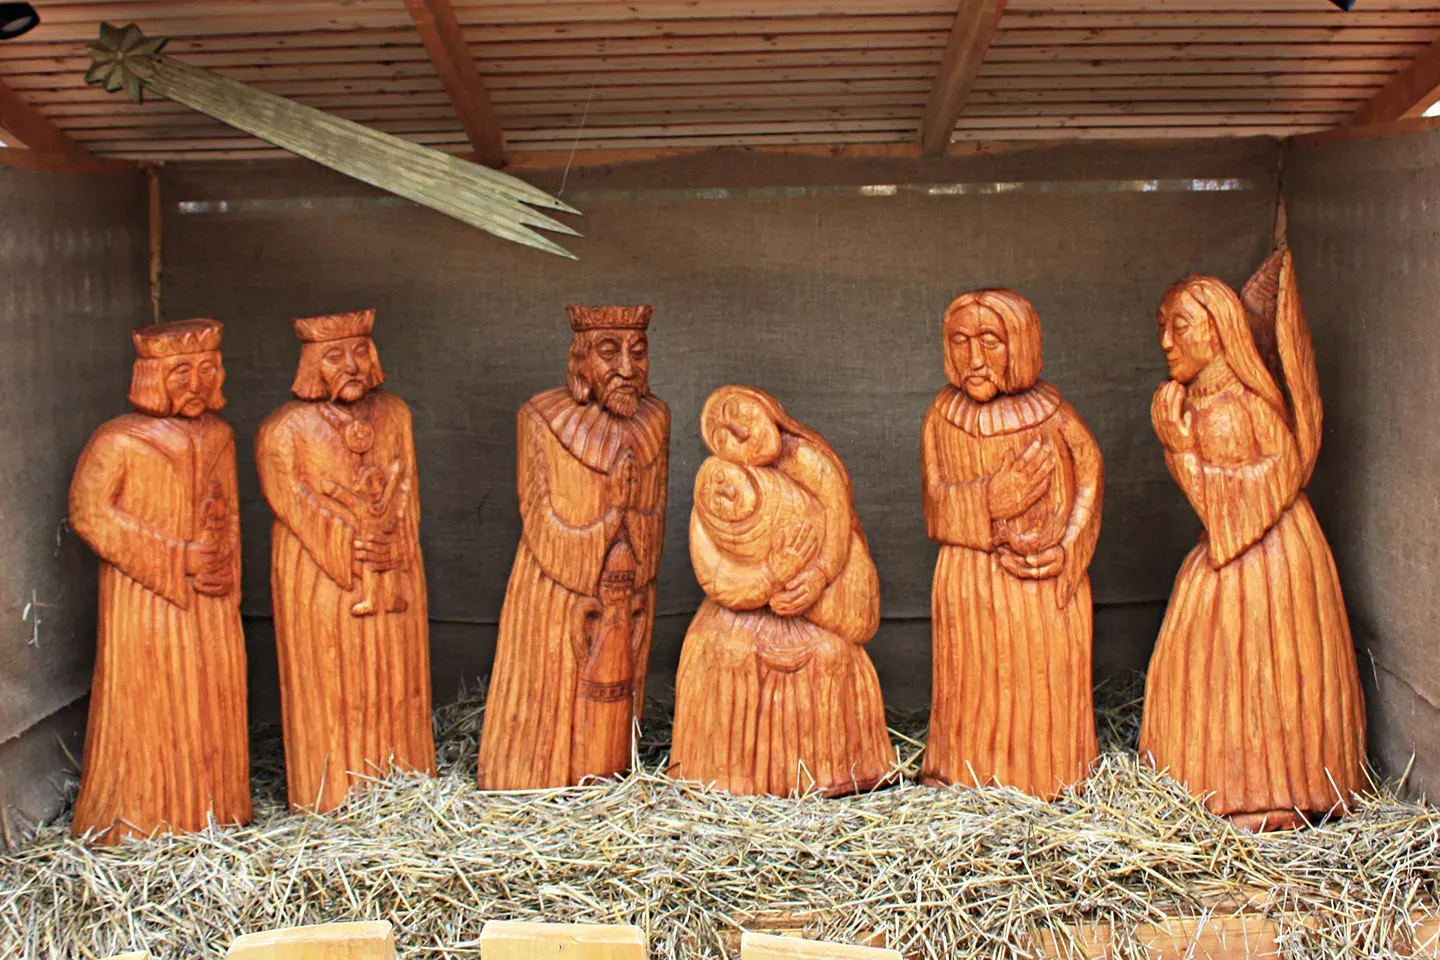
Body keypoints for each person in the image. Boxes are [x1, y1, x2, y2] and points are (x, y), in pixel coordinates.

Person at [1140, 252, 1366, 831]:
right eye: (1161, 325)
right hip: (1238, 553)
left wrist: (1180, 449)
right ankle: (1213, 782)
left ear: (1218, 333)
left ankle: (1268, 792)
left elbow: (1245, 503)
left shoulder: (1237, 406)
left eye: (1180, 326)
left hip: (1266, 562)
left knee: (1259, 670)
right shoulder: (1200, 402)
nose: (1166, 341)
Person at [69, 318, 250, 842]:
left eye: (205, 370)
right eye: (179, 374)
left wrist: (223, 567)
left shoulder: (220, 435)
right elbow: (89, 514)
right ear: (151, 377)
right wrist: (175, 558)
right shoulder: (119, 440)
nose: (195, 385)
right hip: (146, 598)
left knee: (213, 696)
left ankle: (216, 809)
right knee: (152, 701)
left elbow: (229, 512)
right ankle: (140, 818)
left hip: (210, 600)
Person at [920, 290, 1103, 800]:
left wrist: (1067, 548)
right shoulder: (941, 415)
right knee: (971, 691)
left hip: (1039, 585)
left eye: (990, 342)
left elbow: (1090, 479)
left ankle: (1047, 777)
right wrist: (990, 501)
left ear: (1020, 345)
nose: (974, 359)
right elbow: (935, 508)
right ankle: (962, 776)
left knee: (1037, 693)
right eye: (960, 341)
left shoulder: (1055, 414)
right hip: (968, 582)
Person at [477, 306, 669, 789]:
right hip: (559, 593)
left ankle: (610, 772)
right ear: (581, 359)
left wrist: (632, 528)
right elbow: (539, 519)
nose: (627, 367)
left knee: (614, 711)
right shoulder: (542, 419)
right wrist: (609, 518)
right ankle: (534, 774)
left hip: (627, 595)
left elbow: (658, 509)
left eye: (638, 352)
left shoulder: (656, 420)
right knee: (551, 707)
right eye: (610, 351)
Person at [670, 385, 893, 798]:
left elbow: (838, 518)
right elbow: (713, 575)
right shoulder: (716, 486)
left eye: (740, 412)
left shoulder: (808, 460)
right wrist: (772, 574)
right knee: (724, 650)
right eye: (721, 434)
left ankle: (831, 771)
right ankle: (727, 773)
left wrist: (819, 576)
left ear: (769, 410)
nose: (736, 429)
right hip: (755, 600)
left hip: (823, 595)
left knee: (830, 656)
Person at [256, 308, 433, 812]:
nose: (351, 366)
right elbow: (289, 499)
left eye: (360, 352)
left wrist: (394, 538)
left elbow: (408, 487)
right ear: (312, 365)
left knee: (399, 680)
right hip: (324, 579)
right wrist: (349, 543)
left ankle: (405, 780)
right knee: (333, 683)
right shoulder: (285, 429)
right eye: (334, 356)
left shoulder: (395, 414)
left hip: (394, 568)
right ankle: (331, 790)